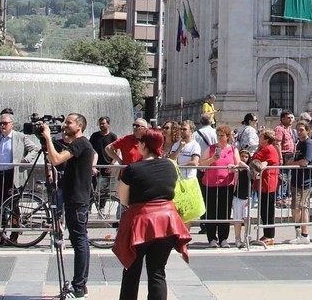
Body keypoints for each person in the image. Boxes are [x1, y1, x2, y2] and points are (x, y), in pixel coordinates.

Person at [114, 129, 191, 300]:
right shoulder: (170, 165)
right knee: (157, 271)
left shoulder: (132, 169)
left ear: (143, 145)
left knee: (131, 270)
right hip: (167, 222)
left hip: (141, 223)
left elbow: (124, 199)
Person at [40, 114, 93, 299]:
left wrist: (47, 137)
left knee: (79, 242)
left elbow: (55, 160)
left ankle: (79, 287)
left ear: (79, 125)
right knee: (80, 241)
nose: (65, 125)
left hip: (77, 200)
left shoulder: (80, 143)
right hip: (75, 199)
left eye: (69, 122)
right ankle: (80, 285)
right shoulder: (78, 144)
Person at [0, 111, 38, 245]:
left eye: (5, 123)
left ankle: (14, 235)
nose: (2, 126)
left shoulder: (20, 137)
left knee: (13, 206)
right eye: (1, 123)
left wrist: (26, 160)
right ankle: (0, 235)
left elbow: (35, 149)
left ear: (12, 124)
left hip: (13, 175)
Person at [199, 124, 241, 248]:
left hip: (226, 184)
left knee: (225, 211)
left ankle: (223, 238)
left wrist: (233, 168)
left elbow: (237, 166)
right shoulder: (211, 148)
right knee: (211, 210)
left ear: (227, 137)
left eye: (221, 135)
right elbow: (201, 164)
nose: (219, 137)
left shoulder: (233, 149)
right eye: (217, 135)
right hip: (211, 184)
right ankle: (212, 238)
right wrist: (212, 159)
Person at [251, 130, 282, 246]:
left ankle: (269, 235)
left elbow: (256, 159)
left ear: (266, 139)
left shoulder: (268, 149)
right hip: (265, 183)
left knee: (267, 210)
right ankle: (267, 234)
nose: (259, 139)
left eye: (261, 137)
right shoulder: (267, 148)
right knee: (264, 210)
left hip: (267, 183)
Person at [90, 116, 118, 214]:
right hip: (95, 166)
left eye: (103, 123)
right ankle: (89, 207)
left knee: (104, 189)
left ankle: (101, 207)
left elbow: (117, 150)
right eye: (100, 124)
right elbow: (90, 150)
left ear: (108, 124)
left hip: (107, 167)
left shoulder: (113, 136)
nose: (101, 125)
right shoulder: (94, 136)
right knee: (92, 187)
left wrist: (112, 163)